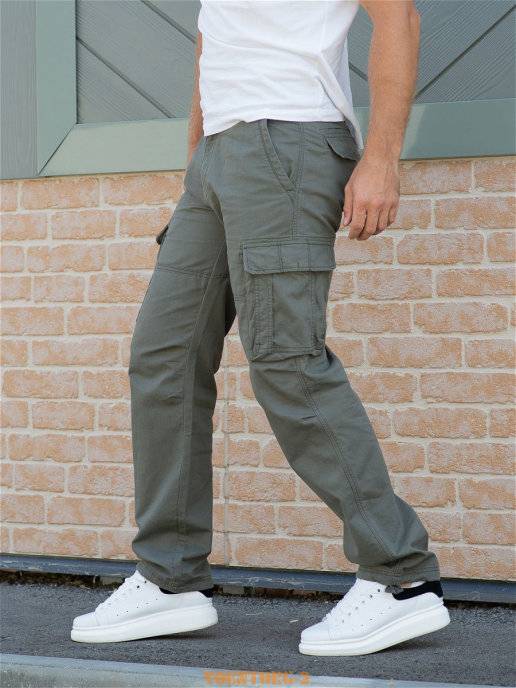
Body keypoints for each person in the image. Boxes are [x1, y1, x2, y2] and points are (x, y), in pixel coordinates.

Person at [71, 0, 450, 655]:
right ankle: (169, 578)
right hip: (219, 157)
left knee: (286, 360)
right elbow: (210, 39)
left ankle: (400, 576)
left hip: (288, 138)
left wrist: (383, 158)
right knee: (163, 356)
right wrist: (198, 161)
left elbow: (399, 16)